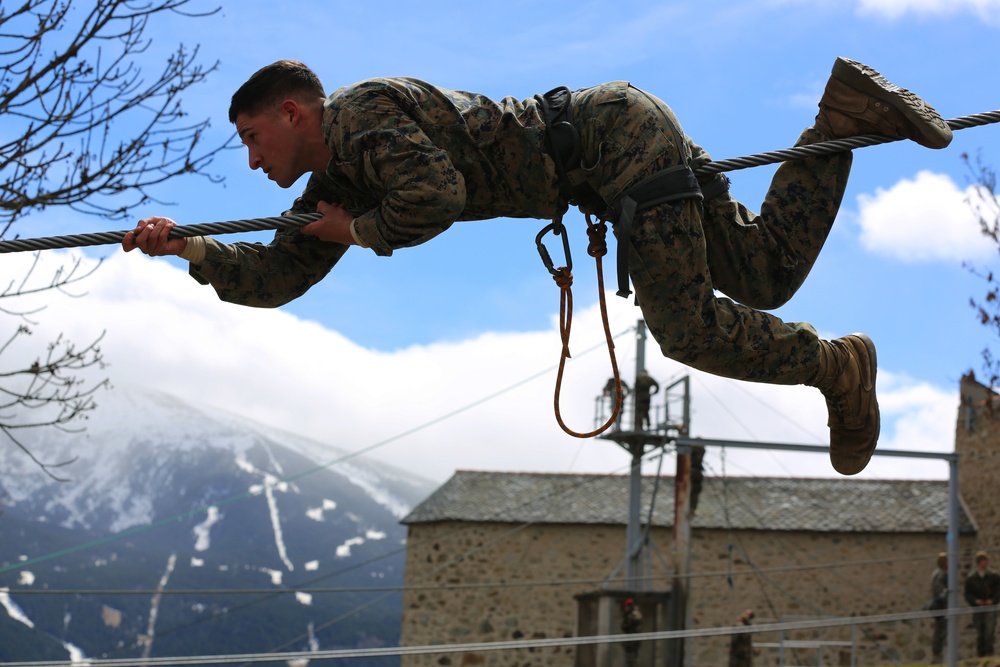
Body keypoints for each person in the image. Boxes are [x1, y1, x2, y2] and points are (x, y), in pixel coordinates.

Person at [124, 58, 953, 476]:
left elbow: (436, 193)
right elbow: (277, 277)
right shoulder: (333, 186)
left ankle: (838, 364)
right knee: (767, 275)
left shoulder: (363, 116)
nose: (253, 159)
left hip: (609, 141)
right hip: (613, 142)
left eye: (252, 138)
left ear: (294, 113)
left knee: (685, 327)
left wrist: (361, 231)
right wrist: (189, 249)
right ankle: (845, 114)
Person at [965, 550, 1000, 657]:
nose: (985, 563)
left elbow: (998, 590)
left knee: (989, 631)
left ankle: (989, 653)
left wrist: (993, 601)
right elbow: (968, 593)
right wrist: (976, 601)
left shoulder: (993, 576)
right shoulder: (971, 578)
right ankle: (981, 654)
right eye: (983, 561)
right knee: (980, 631)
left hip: (990, 606)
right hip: (978, 608)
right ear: (979, 563)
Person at [928, 552, 948, 662]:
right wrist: (948, 599)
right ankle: (936, 655)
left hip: (941, 606)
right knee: (940, 631)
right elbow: (940, 590)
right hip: (939, 606)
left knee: (942, 631)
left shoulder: (941, 573)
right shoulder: (940, 574)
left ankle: (938, 654)